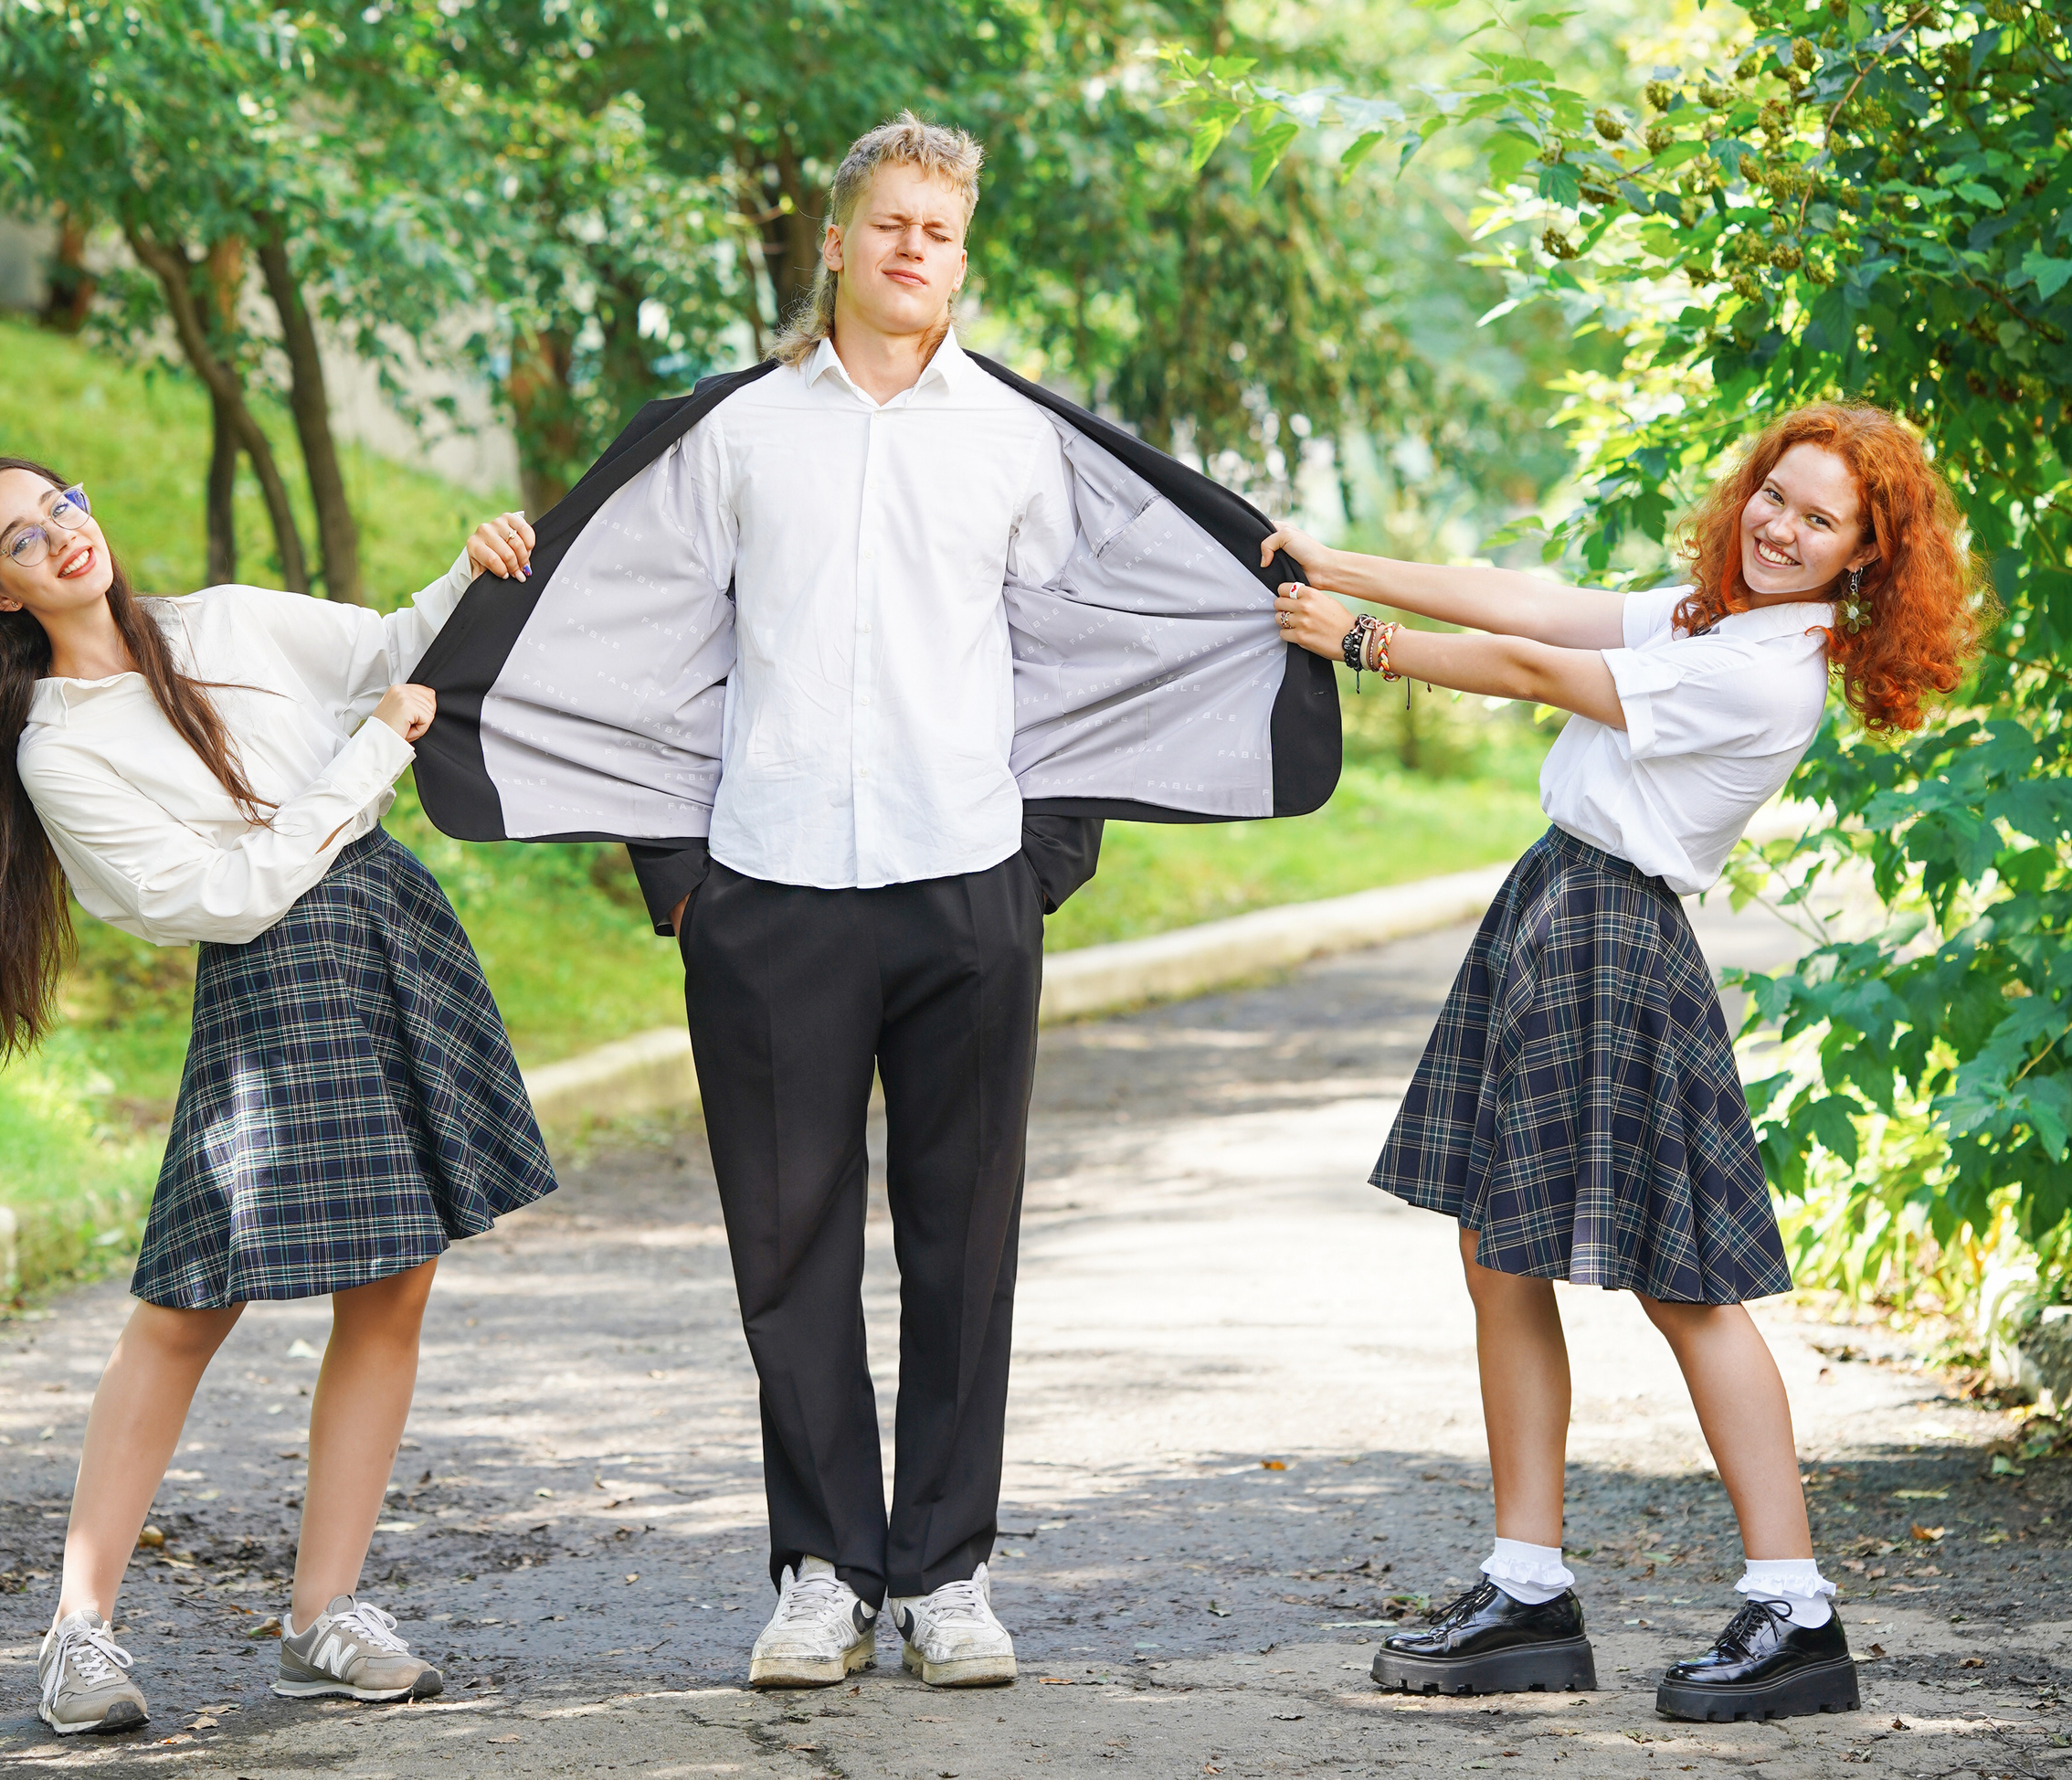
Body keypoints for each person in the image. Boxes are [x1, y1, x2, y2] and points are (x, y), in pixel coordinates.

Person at [405, 113, 1339, 1691]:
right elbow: (642, 642)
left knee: (964, 1245)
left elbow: (1089, 643)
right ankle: (824, 1573)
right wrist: (679, 876)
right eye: (891, 223)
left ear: (963, 257)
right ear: (833, 243)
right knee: (788, 1248)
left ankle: (950, 1575)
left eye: (944, 231)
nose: (917, 249)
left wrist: (1041, 864)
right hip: (766, 894)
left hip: (967, 888)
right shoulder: (732, 436)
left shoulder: (1023, 443)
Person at [1266, 403, 1982, 1721]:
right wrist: (1340, 562)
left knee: (1687, 1286)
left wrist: (1365, 643)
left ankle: (1795, 1607)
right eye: (1778, 495)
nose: (1782, 527)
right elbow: (1534, 606)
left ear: (1864, 556)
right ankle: (1526, 1585)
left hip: (1612, 931)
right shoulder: (1713, 621)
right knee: (1498, 1246)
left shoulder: (1768, 668)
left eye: (1821, 521)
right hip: (1560, 905)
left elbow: (1538, 672)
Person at [0, 459, 559, 1735]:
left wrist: (469, 569)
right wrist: (370, 754)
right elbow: (224, 896)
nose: (64, 540)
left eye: (68, 507)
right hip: (271, 974)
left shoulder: (224, 620)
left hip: (384, 928)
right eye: (24, 541)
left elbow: (385, 649)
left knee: (396, 1281)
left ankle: (324, 1616)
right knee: (190, 1301)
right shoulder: (58, 748)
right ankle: (78, 1631)